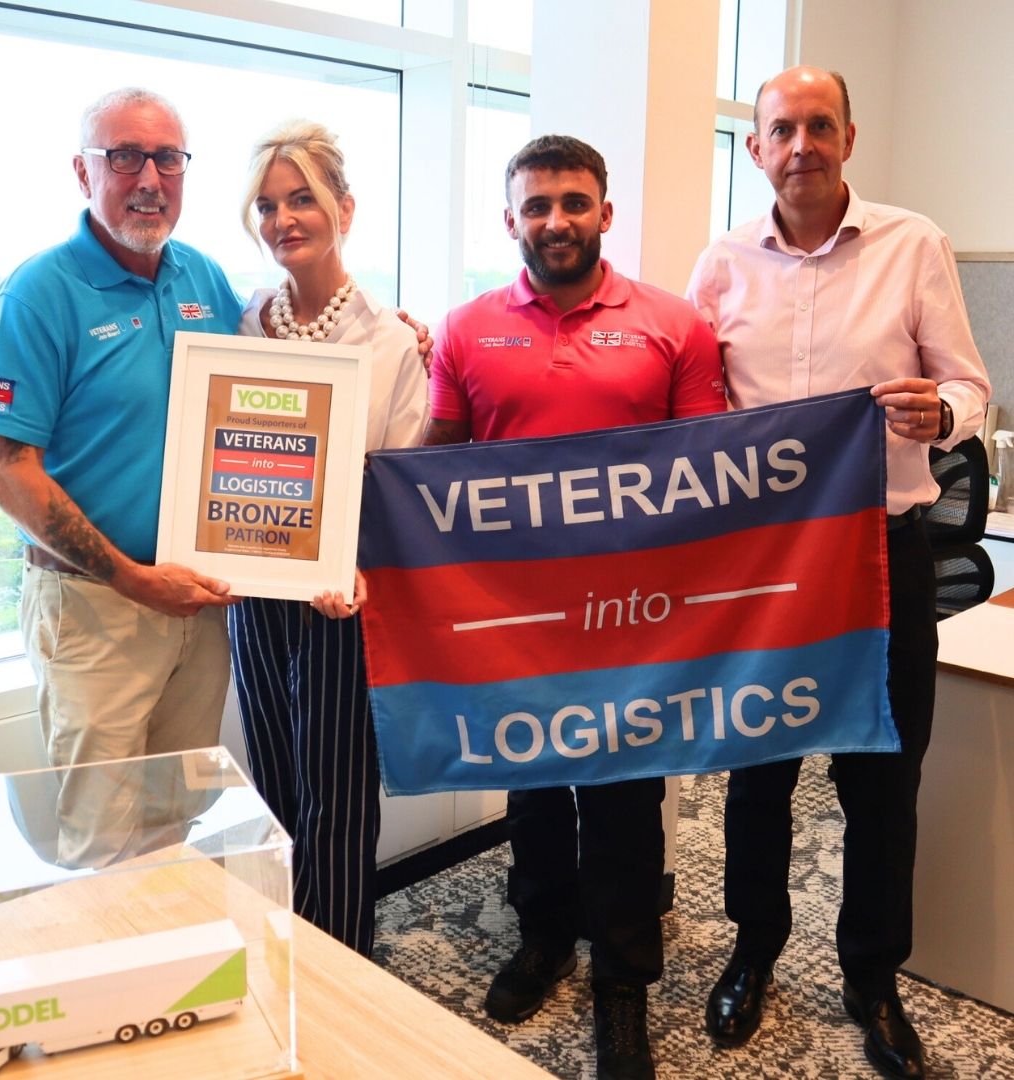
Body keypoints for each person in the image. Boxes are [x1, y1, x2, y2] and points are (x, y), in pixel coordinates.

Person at [686, 66, 990, 1080]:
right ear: (755, 147)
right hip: (766, 565)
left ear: (848, 138)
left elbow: (971, 384)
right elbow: (685, 397)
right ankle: (754, 948)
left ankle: (873, 974)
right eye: (783, 128)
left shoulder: (915, 244)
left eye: (821, 126)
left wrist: (938, 415)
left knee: (881, 781)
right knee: (758, 777)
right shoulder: (721, 263)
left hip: (880, 551)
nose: (802, 144)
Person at [424, 135, 726, 1080]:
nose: (555, 220)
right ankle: (544, 935)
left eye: (573, 201)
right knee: (534, 782)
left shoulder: (676, 323)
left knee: (626, 793)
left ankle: (625, 975)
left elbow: (714, 470)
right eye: (536, 205)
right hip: (516, 612)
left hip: (634, 612)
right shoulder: (466, 328)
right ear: (509, 219)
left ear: (605, 212)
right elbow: (439, 462)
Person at [0, 88, 244, 867]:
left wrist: (396, 329)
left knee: (173, 824)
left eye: (168, 157)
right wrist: (131, 577)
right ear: (83, 171)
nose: (150, 177)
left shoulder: (203, 279)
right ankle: (112, 991)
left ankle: (176, 988)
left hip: (196, 605)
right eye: (125, 156)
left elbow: (277, 376)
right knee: (101, 841)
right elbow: (6, 473)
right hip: (95, 609)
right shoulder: (39, 294)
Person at [227, 120, 428, 958]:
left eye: (302, 197)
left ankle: (341, 974)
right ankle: (284, 962)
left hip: (343, 601)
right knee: (272, 795)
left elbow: (399, 478)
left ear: (344, 206)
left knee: (337, 806)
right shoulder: (242, 327)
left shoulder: (392, 341)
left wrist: (349, 563)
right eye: (268, 205)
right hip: (255, 594)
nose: (283, 220)